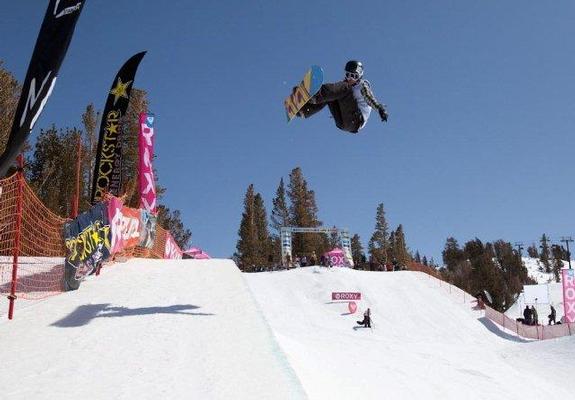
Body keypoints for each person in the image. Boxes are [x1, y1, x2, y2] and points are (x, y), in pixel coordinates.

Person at [296, 60, 388, 134]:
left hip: (355, 121)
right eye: (348, 75)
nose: (350, 79)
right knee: (331, 96)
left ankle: (315, 95)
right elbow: (332, 93)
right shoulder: (344, 86)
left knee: (343, 88)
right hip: (342, 122)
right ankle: (304, 110)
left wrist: (380, 109)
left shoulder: (362, 85)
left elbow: (369, 98)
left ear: (359, 76)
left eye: (354, 76)